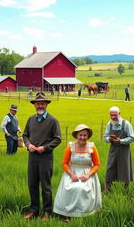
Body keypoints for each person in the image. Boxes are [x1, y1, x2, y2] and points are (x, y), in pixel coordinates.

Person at [23, 92, 61, 221]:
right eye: (38, 103)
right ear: (34, 105)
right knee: (32, 184)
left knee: (46, 186)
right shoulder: (30, 119)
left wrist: (44, 148)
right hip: (32, 157)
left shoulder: (53, 120)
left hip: (46, 158)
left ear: (46, 105)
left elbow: (58, 139)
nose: (40, 105)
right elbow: (25, 135)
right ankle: (34, 210)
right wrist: (28, 145)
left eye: (42, 103)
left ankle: (47, 212)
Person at [53, 124, 102, 222]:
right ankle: (66, 214)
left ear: (88, 136)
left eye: (85, 135)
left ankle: (83, 212)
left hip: (87, 173)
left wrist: (88, 175)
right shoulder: (70, 146)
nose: (82, 137)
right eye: (80, 135)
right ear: (76, 135)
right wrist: (71, 175)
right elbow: (64, 163)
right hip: (72, 172)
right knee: (69, 189)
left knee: (82, 189)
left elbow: (97, 164)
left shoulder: (92, 147)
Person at [104, 106, 134, 193]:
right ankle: (107, 189)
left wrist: (120, 141)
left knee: (125, 168)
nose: (113, 117)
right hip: (113, 149)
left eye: (115, 115)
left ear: (119, 114)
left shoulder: (126, 124)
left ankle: (126, 189)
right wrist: (109, 139)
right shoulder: (109, 124)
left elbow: (132, 138)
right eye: (111, 115)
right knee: (110, 168)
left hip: (124, 150)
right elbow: (105, 137)